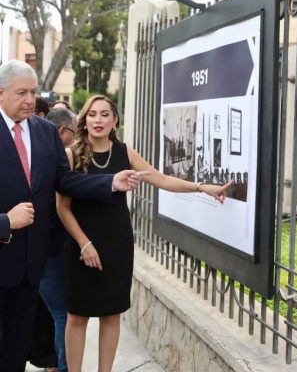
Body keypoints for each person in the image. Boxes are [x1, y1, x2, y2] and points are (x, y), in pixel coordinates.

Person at [56, 94, 232, 372]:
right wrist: (84, 243)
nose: (98, 120)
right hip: (80, 244)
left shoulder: (125, 152)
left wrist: (202, 187)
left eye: (105, 114)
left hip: (116, 243)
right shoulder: (70, 155)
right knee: (77, 316)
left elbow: (161, 179)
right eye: (92, 114)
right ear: (84, 120)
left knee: (111, 315)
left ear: (115, 121)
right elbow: (62, 207)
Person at [0, 59, 145, 371]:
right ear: (1, 93)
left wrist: (110, 182)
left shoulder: (45, 132)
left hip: (29, 268)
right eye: (22, 93)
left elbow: (65, 182)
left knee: (15, 351)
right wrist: (6, 222)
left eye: (33, 92)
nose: (30, 100)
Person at [38, 108, 77, 372]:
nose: (78, 140)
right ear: (62, 132)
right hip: (51, 252)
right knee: (63, 313)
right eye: (76, 133)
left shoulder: (43, 156)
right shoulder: (55, 162)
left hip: (46, 251)